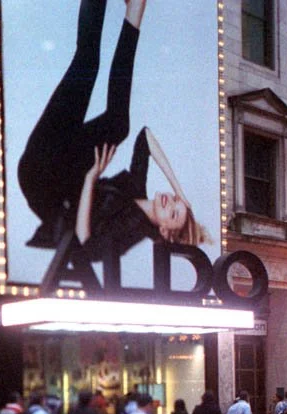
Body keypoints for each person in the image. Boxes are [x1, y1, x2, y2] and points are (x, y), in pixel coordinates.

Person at [20, 0, 208, 271]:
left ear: (166, 231)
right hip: (59, 161)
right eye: (176, 202)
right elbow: (145, 138)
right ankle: (134, 14)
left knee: (92, 72)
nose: (171, 202)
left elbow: (87, 242)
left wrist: (90, 179)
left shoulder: (133, 230)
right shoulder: (136, 187)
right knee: (115, 116)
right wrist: (182, 192)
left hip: (42, 184)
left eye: (174, 212)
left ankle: (134, 12)